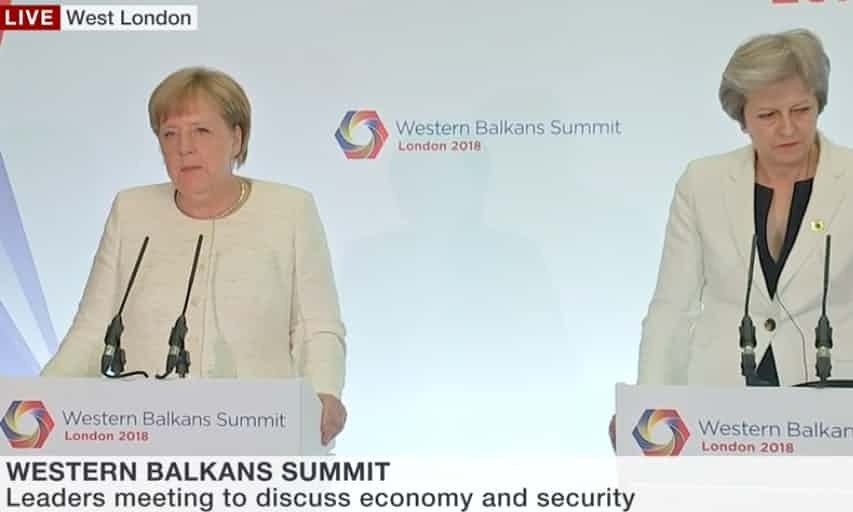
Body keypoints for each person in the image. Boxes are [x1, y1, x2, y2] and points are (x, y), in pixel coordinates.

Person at [41, 67, 347, 446]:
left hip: (261, 437)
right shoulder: (131, 210)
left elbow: (316, 326)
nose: (183, 147)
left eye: (201, 131)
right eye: (170, 134)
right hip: (149, 438)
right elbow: (92, 331)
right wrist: (40, 397)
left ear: (236, 138)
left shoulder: (290, 210)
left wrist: (323, 391)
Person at [613, 28, 853, 448]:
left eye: (801, 109)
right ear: (741, 118)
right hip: (719, 412)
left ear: (820, 103)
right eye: (768, 115)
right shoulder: (702, 182)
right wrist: (649, 406)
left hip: (835, 410)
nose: (787, 128)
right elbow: (673, 308)